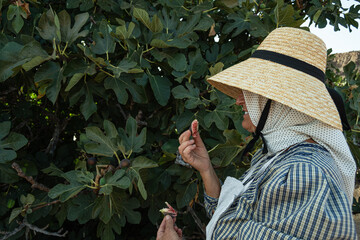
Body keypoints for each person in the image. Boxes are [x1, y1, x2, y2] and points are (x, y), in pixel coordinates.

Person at [157, 27, 358, 239]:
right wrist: (206, 169)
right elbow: (234, 220)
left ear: (280, 103)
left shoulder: (304, 172)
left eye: (252, 91)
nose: (238, 99)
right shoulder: (278, 155)